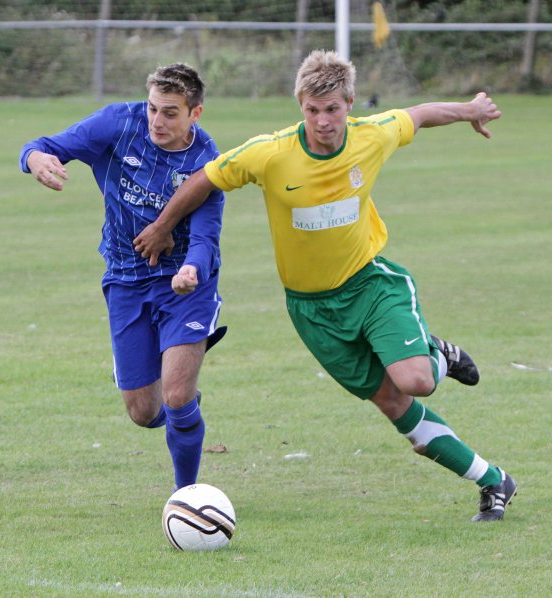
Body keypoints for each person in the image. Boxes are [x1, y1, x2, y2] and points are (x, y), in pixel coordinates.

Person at [132, 50, 517, 522]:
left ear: (349, 103)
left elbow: (418, 115)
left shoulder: (371, 137)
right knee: (394, 404)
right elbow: (205, 179)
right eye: (312, 110)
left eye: (332, 109)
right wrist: (165, 225)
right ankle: (493, 481)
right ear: (300, 106)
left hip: (372, 286)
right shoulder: (270, 154)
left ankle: (439, 354)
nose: (323, 121)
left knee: (415, 380)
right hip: (311, 312)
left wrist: (471, 111)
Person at [19, 63, 227, 492]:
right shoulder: (118, 123)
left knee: (176, 395)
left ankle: (185, 497)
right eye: (153, 108)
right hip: (125, 281)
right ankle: (180, 406)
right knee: (142, 411)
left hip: (183, 286)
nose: (158, 121)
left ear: (196, 113)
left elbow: (206, 238)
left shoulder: (208, 161)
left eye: (171, 112)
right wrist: (35, 159)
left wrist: (192, 269)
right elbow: (42, 146)